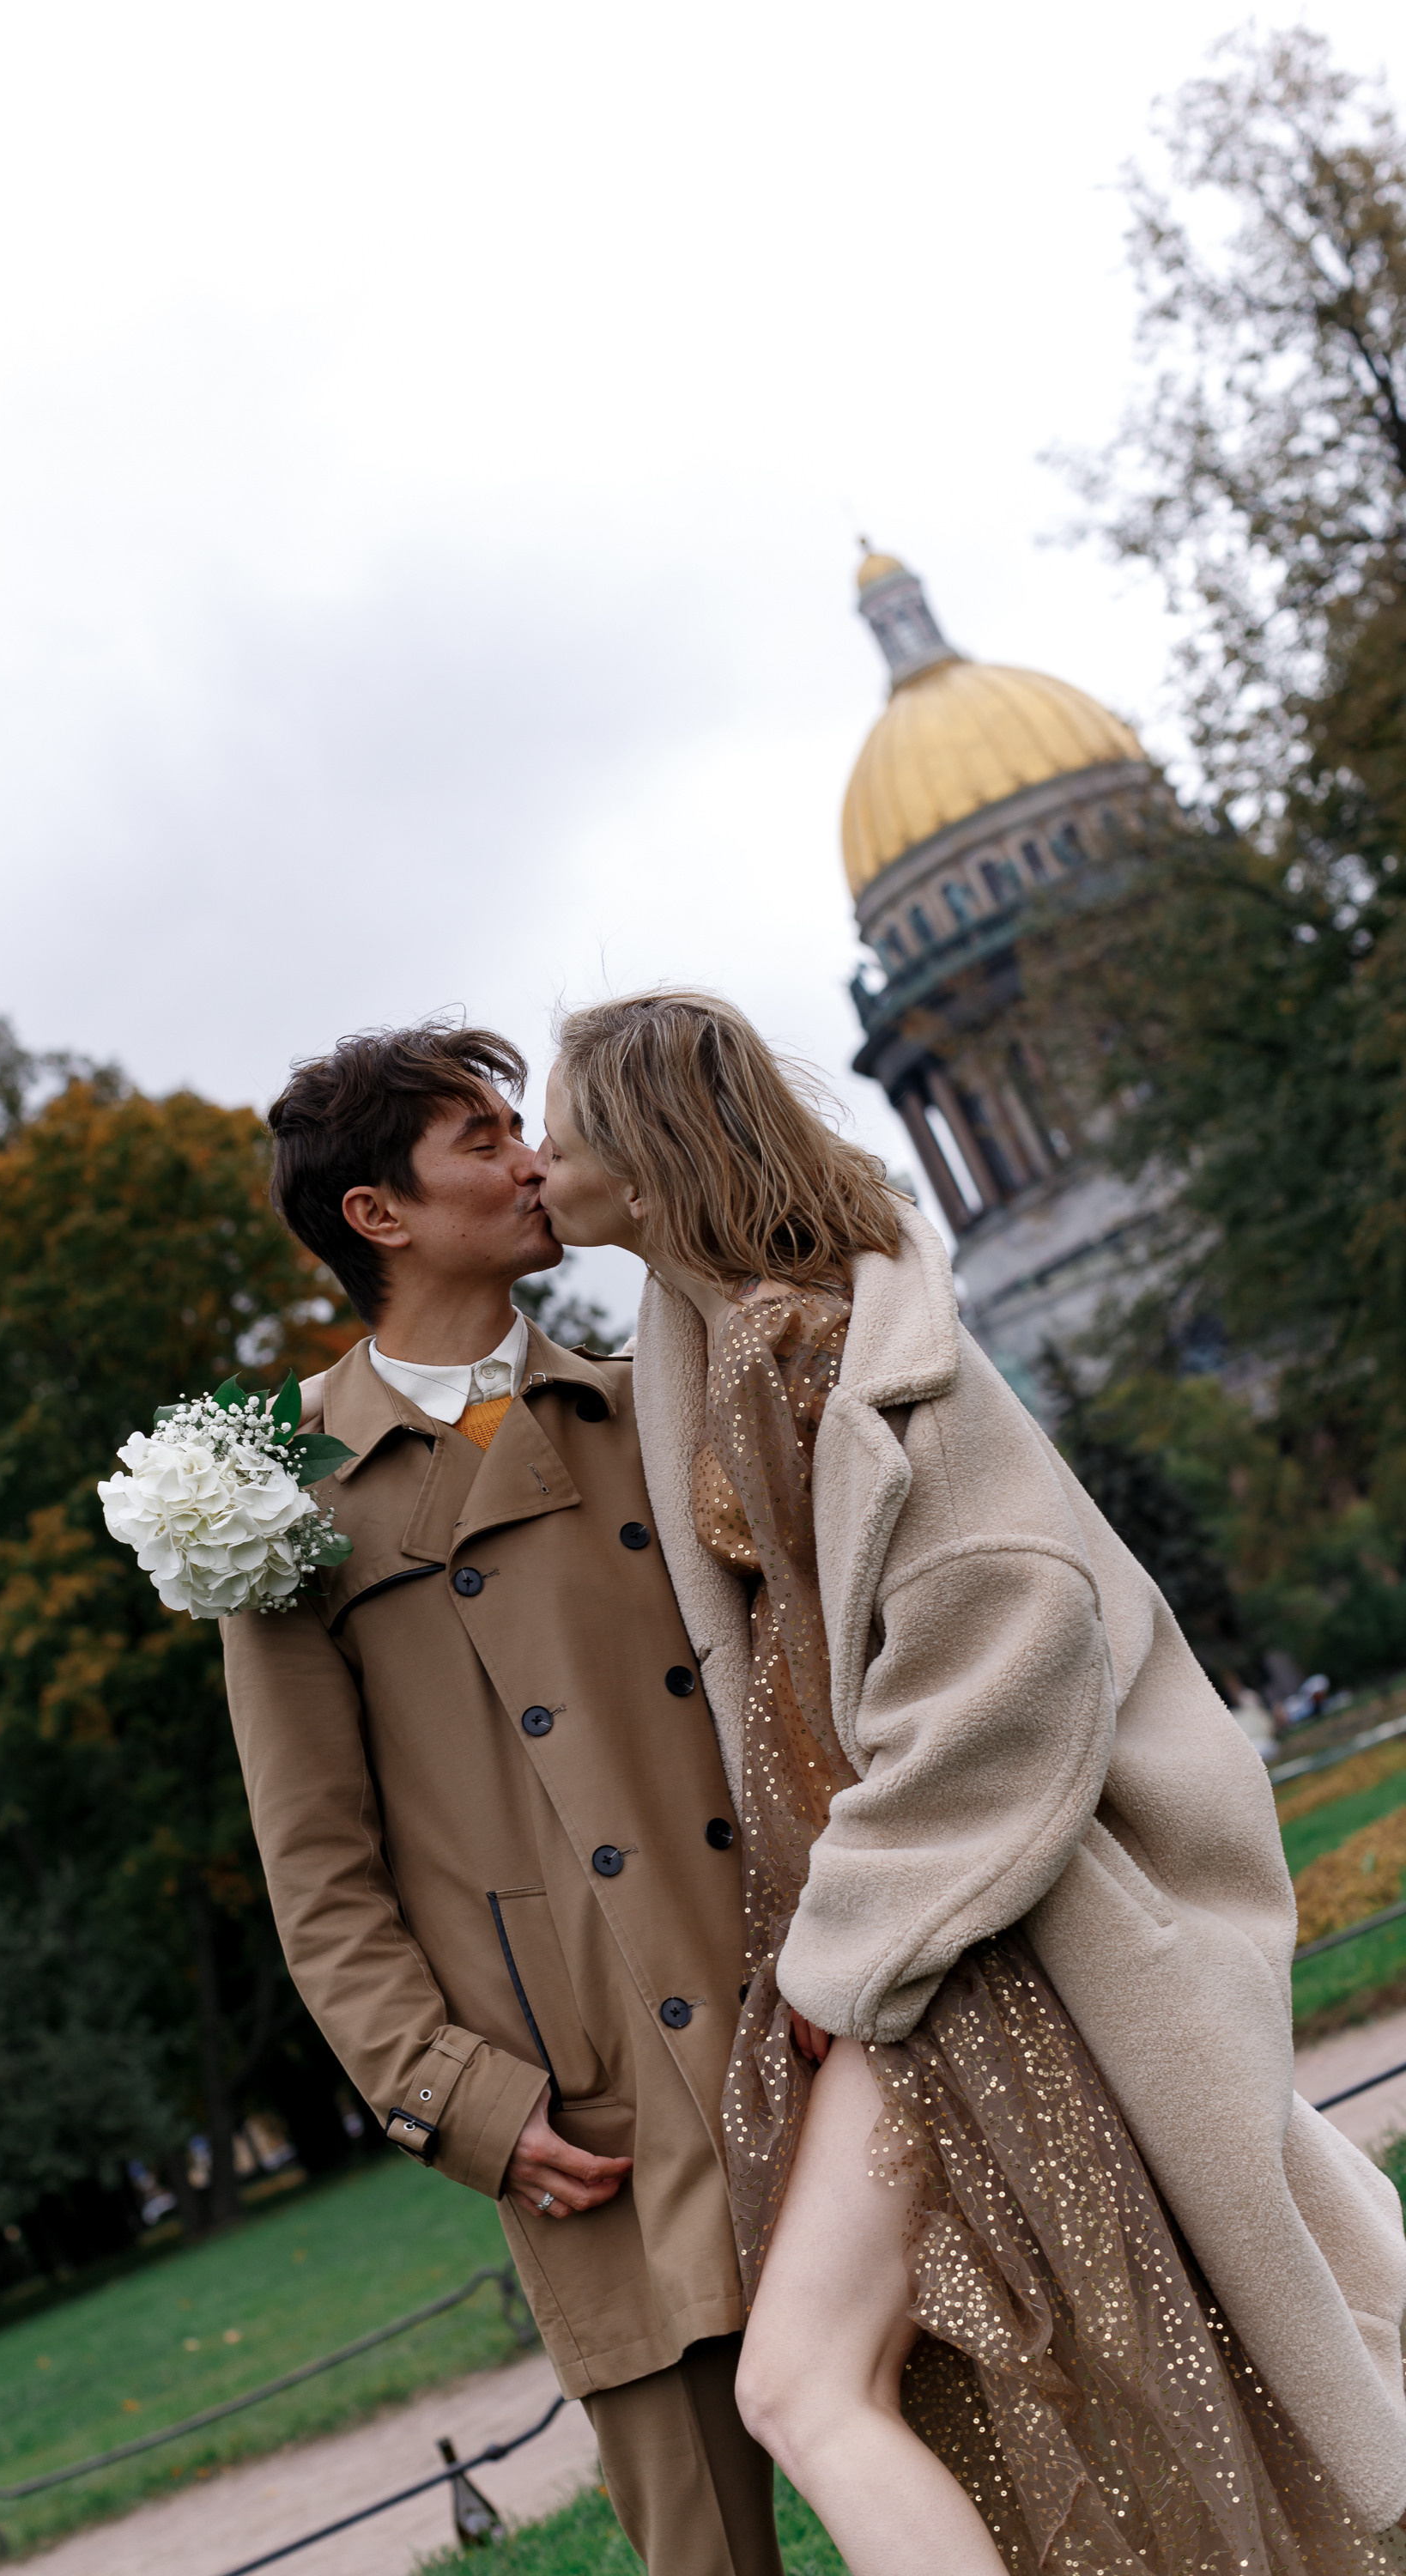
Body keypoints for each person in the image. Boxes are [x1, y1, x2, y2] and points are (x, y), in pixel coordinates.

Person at [534, 987, 1406, 2576]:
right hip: (897, 1950)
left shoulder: (802, 1349)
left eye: (558, 1123)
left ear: (639, 1153)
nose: (534, 1158)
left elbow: (1006, 1646)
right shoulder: (719, 1336)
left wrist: (842, 1947)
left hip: (938, 1958)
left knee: (812, 2385)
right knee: (969, 2377)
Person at [220, 1022, 783, 2576]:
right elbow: (316, 1866)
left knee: (970, 2483)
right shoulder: (282, 1504)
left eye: (521, 1127)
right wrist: (461, 2100)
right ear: (377, 1215)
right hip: (580, 2100)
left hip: (795, 2015)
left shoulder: (644, 1400)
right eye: (482, 1140)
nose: (534, 1161)